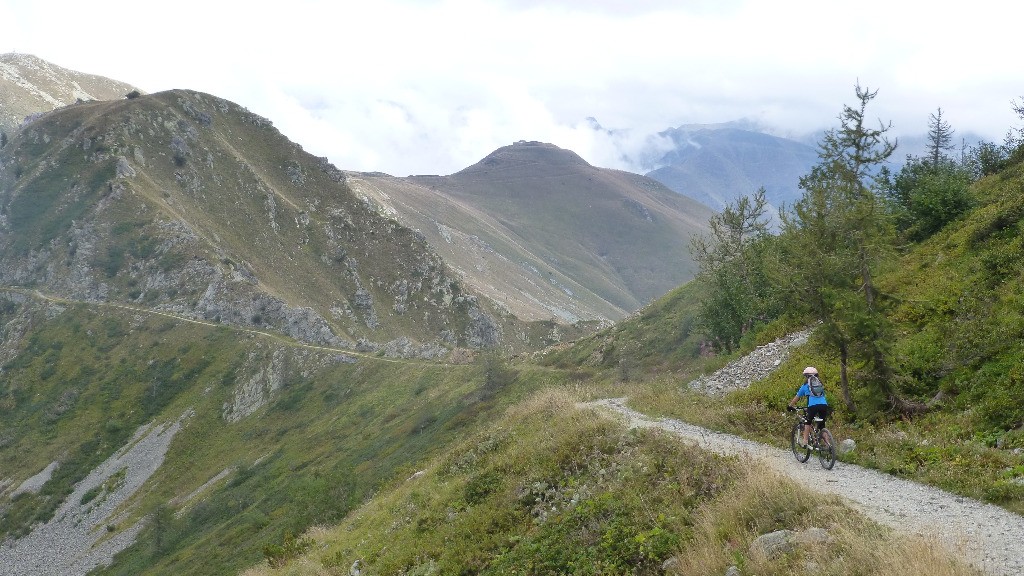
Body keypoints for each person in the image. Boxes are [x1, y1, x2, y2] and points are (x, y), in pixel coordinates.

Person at [787, 366, 829, 448]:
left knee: (807, 422)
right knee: (822, 425)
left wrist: (790, 406)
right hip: (824, 405)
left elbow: (796, 398)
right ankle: (828, 445)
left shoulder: (805, 386)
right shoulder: (820, 384)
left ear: (806, 376)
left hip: (812, 406)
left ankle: (805, 441)